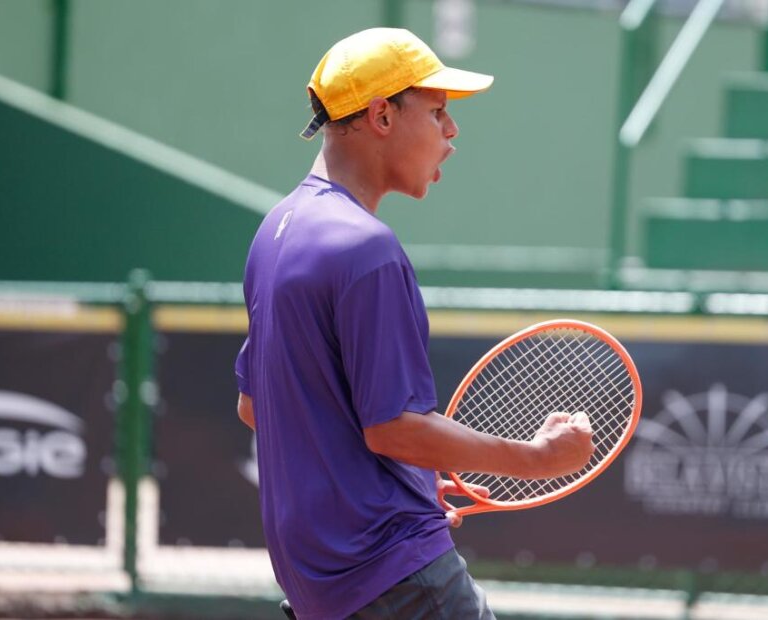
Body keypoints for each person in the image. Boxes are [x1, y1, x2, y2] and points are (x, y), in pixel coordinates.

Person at [235, 27, 595, 620]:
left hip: (319, 588)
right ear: (381, 115)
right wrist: (538, 459)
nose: (451, 134)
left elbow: (257, 406)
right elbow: (392, 429)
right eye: (437, 112)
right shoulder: (365, 248)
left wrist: (395, 481)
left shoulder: (276, 230)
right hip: (393, 579)